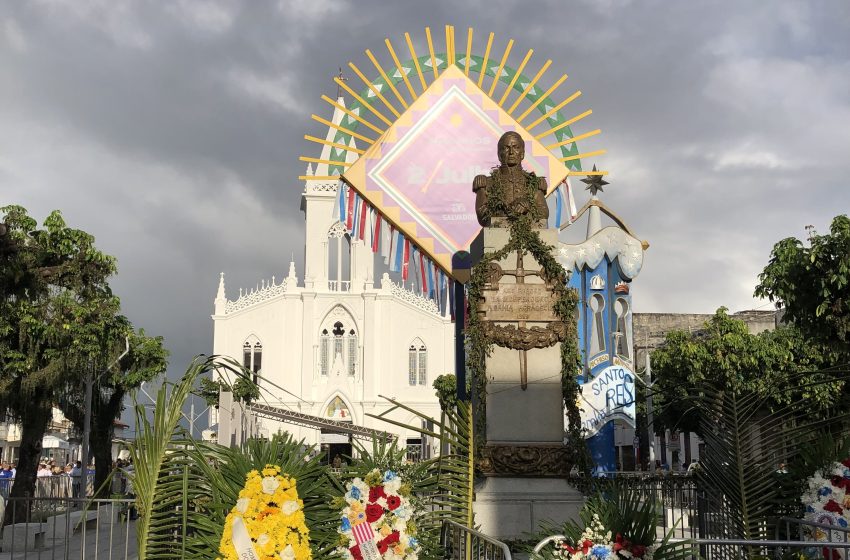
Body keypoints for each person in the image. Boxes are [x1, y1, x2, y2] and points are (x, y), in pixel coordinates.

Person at [473, 131, 549, 228]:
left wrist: (527, 207)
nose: (511, 152)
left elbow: (544, 214)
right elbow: (483, 216)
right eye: (506, 148)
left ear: (522, 153)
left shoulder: (534, 183)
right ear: (499, 154)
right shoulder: (487, 183)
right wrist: (504, 211)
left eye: (516, 147)